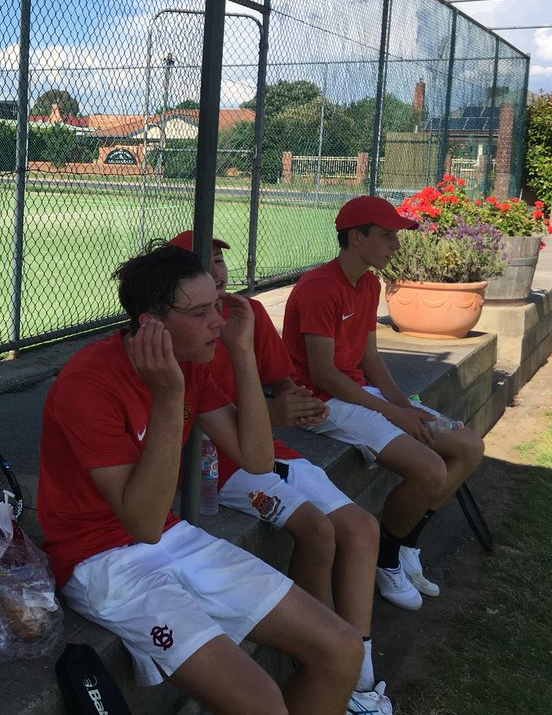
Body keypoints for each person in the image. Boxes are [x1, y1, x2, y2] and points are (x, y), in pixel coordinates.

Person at [38, 241, 361, 715]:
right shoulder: (87, 385)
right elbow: (141, 524)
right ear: (152, 325)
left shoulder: (193, 363)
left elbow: (256, 459)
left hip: (171, 536)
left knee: (341, 647)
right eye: (202, 312)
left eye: (220, 305)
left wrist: (243, 353)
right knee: (262, 703)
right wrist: (169, 396)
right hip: (99, 560)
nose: (220, 321)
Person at [170, 231, 390, 713]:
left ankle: (358, 669)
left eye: (219, 262)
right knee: (318, 529)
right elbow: (198, 423)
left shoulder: (245, 314)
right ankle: (325, 663)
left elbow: (281, 385)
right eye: (205, 266)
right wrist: (273, 413)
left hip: (264, 450)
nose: (219, 273)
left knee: (362, 525)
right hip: (217, 466)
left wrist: (298, 405)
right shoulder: (174, 340)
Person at [282, 196, 485, 611]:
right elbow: (323, 375)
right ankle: (387, 560)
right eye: (387, 235)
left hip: (362, 396)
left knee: (467, 445)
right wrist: (394, 413)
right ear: (356, 238)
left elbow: (369, 358)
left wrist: (405, 406)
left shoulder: (370, 283)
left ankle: (405, 543)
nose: (395, 244)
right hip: (325, 404)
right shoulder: (319, 288)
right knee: (429, 468)